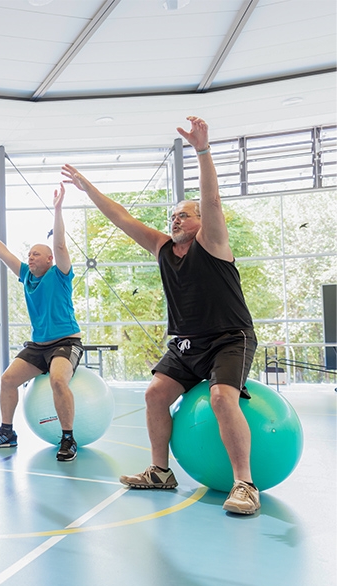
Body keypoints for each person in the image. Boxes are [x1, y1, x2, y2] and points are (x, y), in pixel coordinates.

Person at [61, 116, 260, 515]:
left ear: (201, 221)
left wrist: (202, 150)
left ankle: (245, 484)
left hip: (229, 336)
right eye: (173, 216)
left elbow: (212, 199)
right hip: (187, 342)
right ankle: (160, 471)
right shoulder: (163, 248)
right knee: (154, 394)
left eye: (184, 215)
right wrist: (87, 188)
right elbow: (121, 218)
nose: (175, 220)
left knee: (222, 398)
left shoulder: (214, 242)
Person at [0, 185, 84, 460]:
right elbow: (3, 252)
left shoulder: (61, 274)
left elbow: (61, 244)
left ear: (49, 260)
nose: (30, 258)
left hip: (67, 343)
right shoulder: (26, 276)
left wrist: (57, 210)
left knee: (57, 380)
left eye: (35, 255)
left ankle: (68, 439)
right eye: (29, 254)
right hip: (38, 346)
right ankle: (7, 432)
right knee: (7, 379)